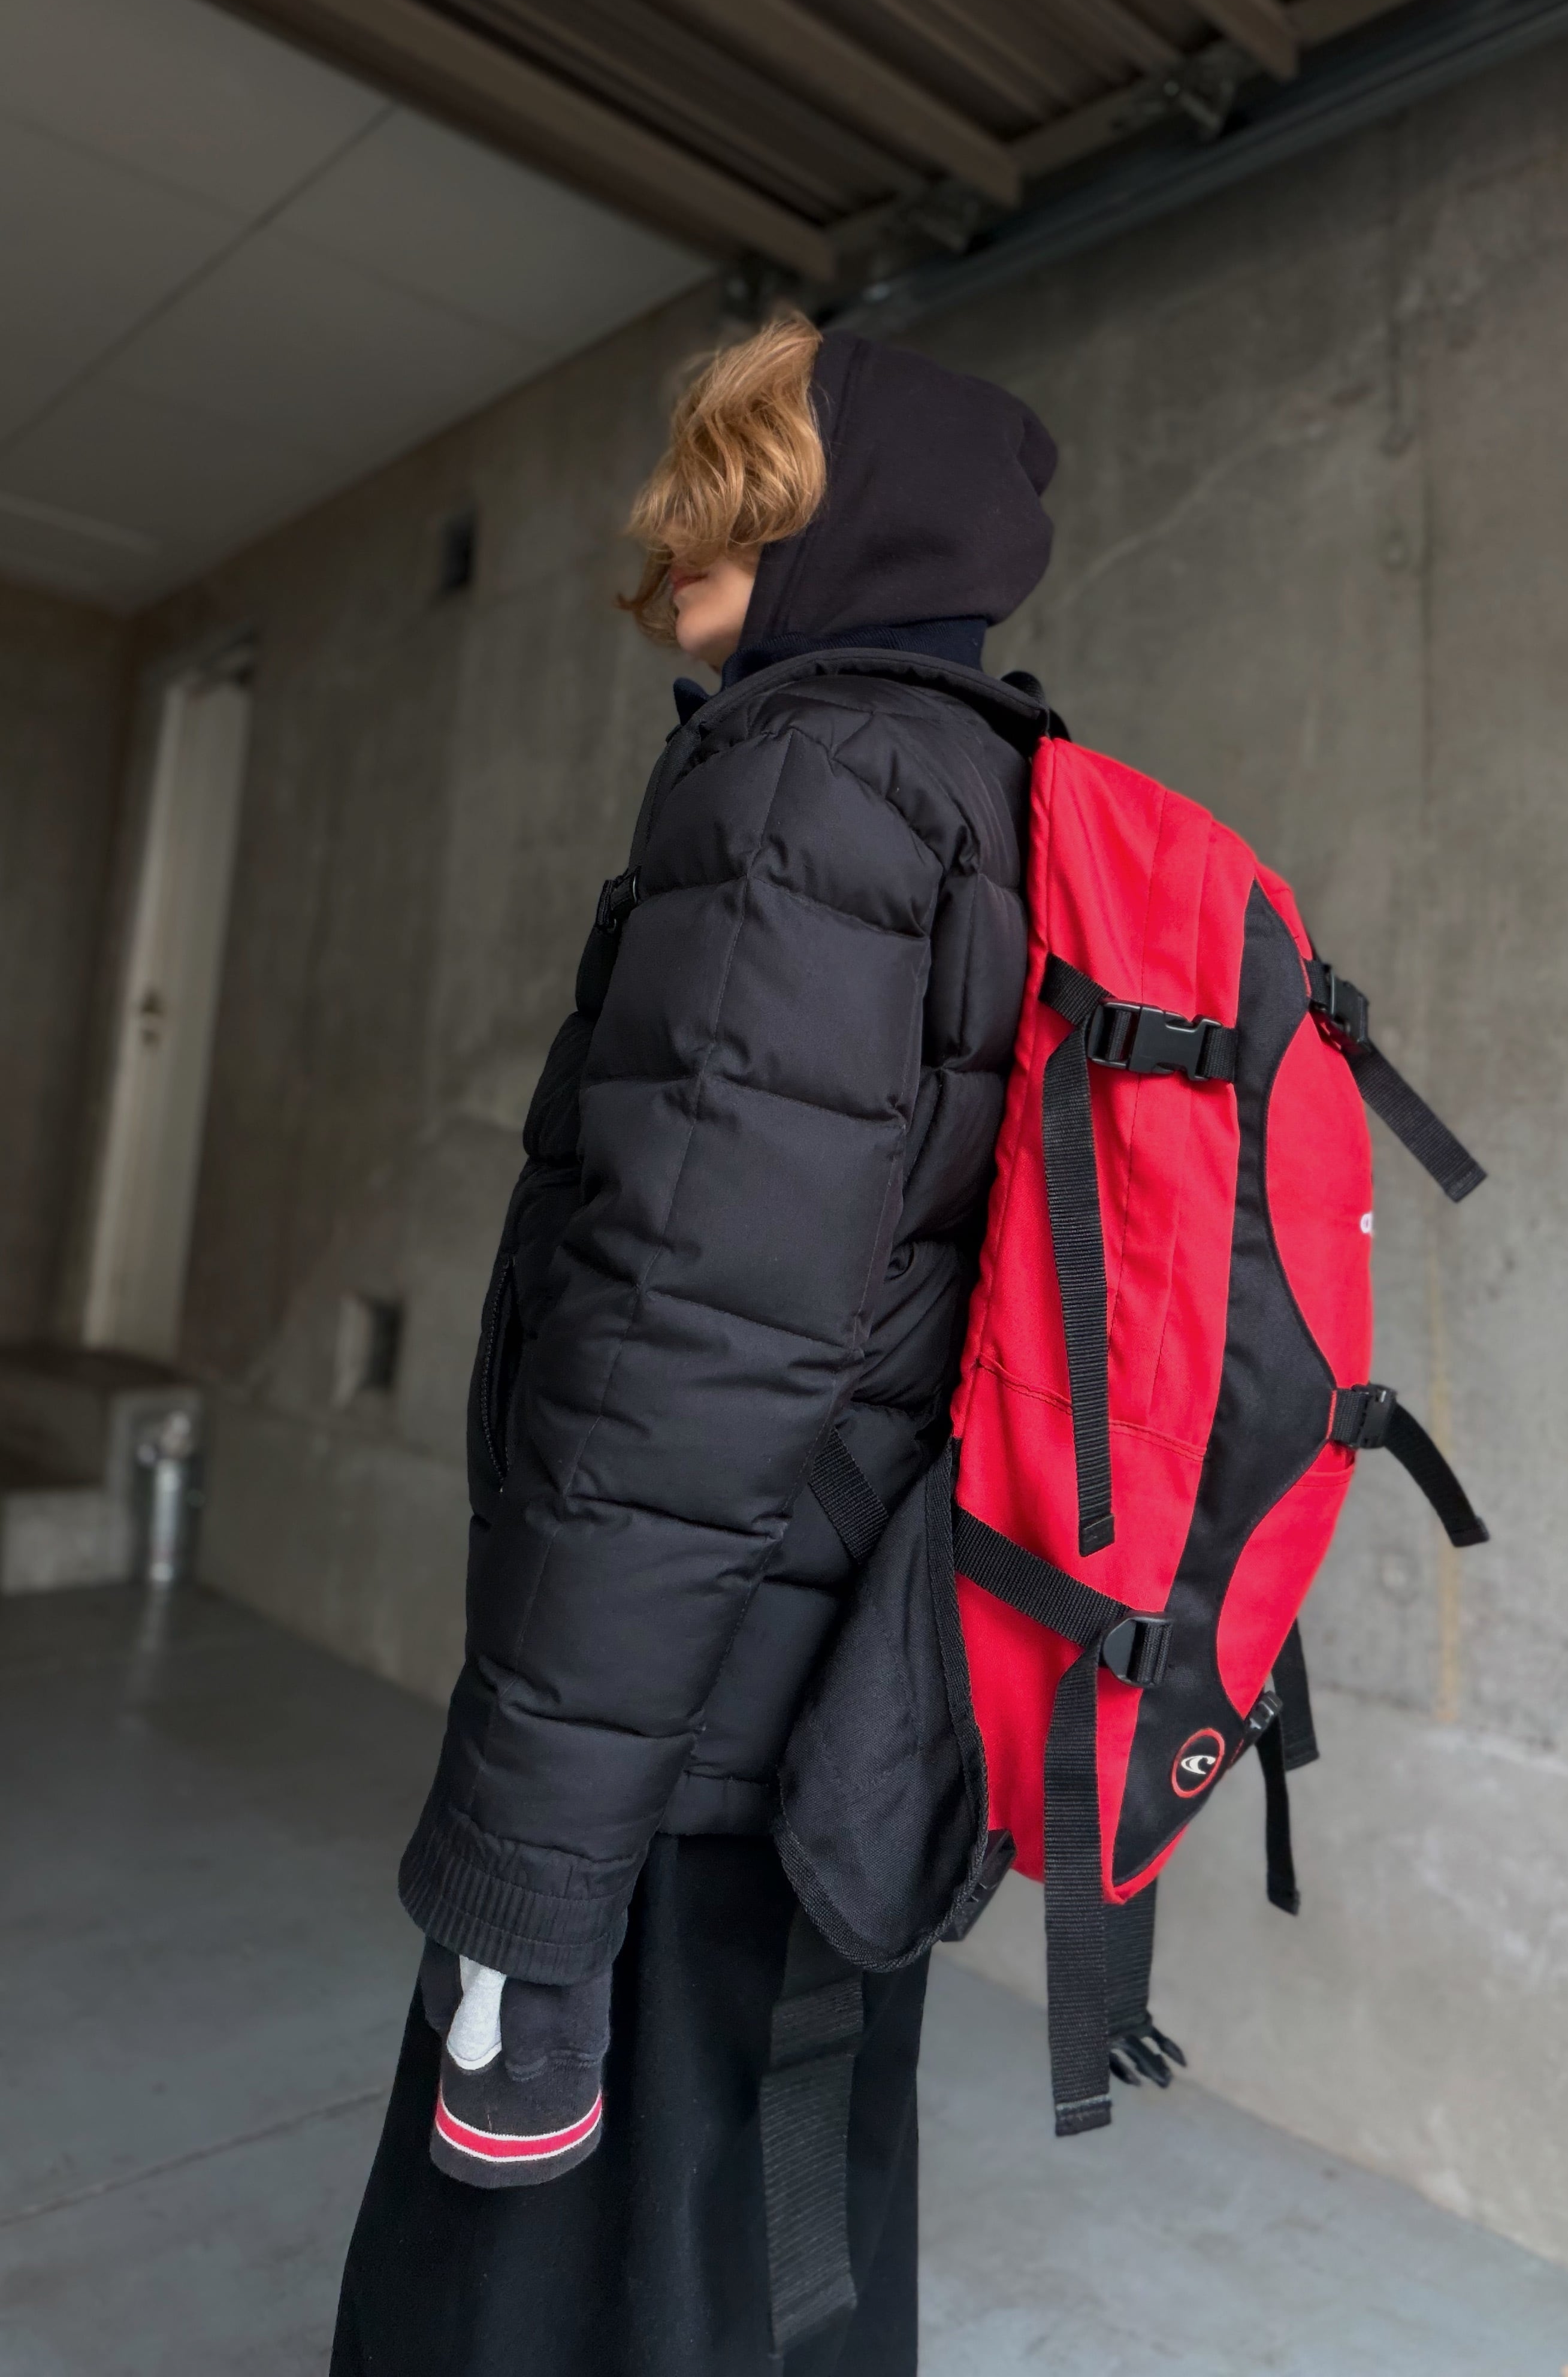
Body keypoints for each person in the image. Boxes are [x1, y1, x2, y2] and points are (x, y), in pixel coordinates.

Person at [330, 310, 1057, 2376]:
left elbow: (681, 1363)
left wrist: (531, 1885)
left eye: (723, 512)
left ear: (842, 521)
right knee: (785, 2253)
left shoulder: (806, 787)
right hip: (868, 1707)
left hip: (686, 1728)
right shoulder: (992, 792)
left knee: (551, 2295)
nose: (674, 564)